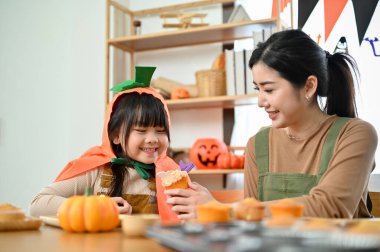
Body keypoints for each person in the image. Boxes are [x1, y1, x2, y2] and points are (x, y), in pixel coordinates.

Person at [165, 29, 377, 219]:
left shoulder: (356, 134)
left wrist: (223, 210)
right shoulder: (258, 144)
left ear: (309, 86)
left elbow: (332, 206)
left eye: (269, 89)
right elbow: (252, 223)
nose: (260, 101)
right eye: (258, 89)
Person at [30, 66, 182, 223]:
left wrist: (201, 200)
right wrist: (97, 206)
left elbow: (189, 219)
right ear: (116, 136)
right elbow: (37, 204)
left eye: (161, 131)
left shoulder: (171, 176)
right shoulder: (97, 171)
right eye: (141, 130)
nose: (153, 139)